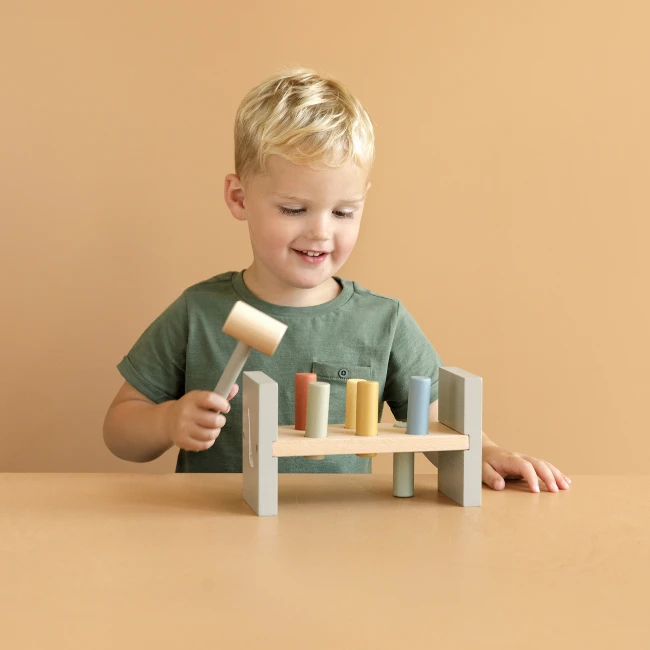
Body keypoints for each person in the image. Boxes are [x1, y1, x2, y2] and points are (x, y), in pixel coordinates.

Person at [103, 67, 570, 493]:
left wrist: (485, 451)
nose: (321, 232)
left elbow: (435, 421)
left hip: (340, 538)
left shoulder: (383, 321)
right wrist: (168, 421)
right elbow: (119, 430)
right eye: (294, 209)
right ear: (239, 198)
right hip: (217, 536)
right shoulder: (199, 311)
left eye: (344, 212)